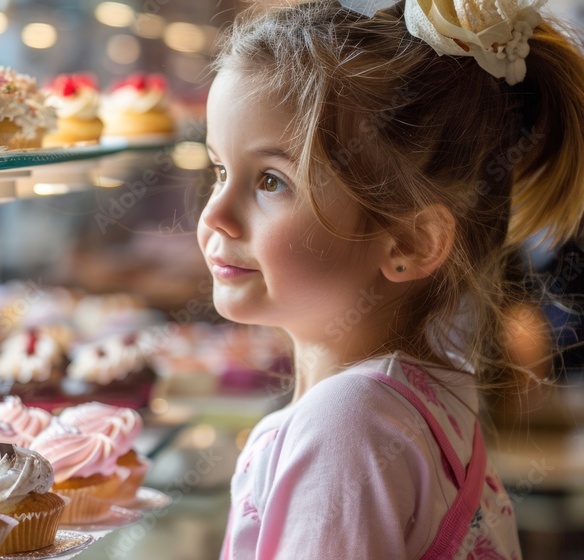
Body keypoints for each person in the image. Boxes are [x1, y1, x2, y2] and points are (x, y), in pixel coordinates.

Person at [200, 0, 584, 557]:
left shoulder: (346, 429)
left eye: (271, 181)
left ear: (409, 242)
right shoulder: (425, 397)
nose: (214, 214)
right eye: (218, 170)